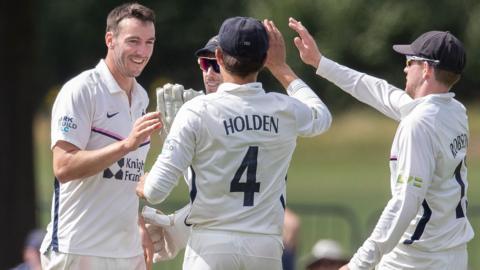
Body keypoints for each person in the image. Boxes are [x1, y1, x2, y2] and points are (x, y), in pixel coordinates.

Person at [137, 17, 332, 270]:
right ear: (263, 59)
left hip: (211, 245)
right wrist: (281, 66)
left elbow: (156, 191)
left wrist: (143, 183)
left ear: (219, 56)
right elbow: (322, 117)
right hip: (265, 247)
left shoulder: (196, 110)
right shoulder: (283, 108)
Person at [288, 17, 474, 269]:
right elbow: (378, 90)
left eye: (410, 62)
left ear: (427, 69)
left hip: (416, 259)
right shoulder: (454, 111)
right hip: (451, 255)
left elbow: (406, 201)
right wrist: (320, 62)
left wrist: (359, 263)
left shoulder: (418, 124)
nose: (405, 69)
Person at [39, 3, 162, 270]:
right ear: (110, 39)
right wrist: (126, 145)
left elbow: (125, 175)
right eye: (133, 41)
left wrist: (138, 224)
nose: (143, 52)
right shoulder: (81, 90)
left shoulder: (141, 97)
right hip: (79, 249)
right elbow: (64, 166)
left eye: (149, 42)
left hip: (126, 252)